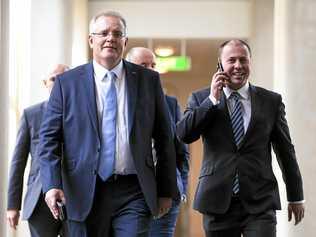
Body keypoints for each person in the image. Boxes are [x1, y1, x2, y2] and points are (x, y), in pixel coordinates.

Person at [38, 11, 178, 237]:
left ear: (125, 41)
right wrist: (52, 184)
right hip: (83, 190)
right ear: (91, 40)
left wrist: (166, 190)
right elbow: (48, 140)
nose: (110, 38)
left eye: (117, 33)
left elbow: (164, 139)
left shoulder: (148, 80)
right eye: (103, 33)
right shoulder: (67, 83)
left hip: (134, 190)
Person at [176, 39, 305, 237]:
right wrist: (212, 99)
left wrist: (296, 196)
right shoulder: (201, 98)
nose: (238, 66)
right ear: (220, 65)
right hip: (217, 200)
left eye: (243, 60)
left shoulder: (271, 101)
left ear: (250, 63)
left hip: (260, 200)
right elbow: (184, 134)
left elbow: (285, 151)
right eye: (232, 60)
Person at [126, 47, 190, 237]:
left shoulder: (170, 103)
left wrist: (182, 187)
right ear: (128, 69)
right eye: (143, 65)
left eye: (153, 65)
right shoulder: (120, 102)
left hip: (165, 192)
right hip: (130, 192)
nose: (151, 69)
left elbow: (180, 151)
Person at [6, 64, 69, 237]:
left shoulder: (82, 112)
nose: (58, 82)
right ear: (45, 83)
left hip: (75, 197)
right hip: (39, 199)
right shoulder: (31, 114)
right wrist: (13, 205)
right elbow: (18, 162)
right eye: (53, 78)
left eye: (63, 78)